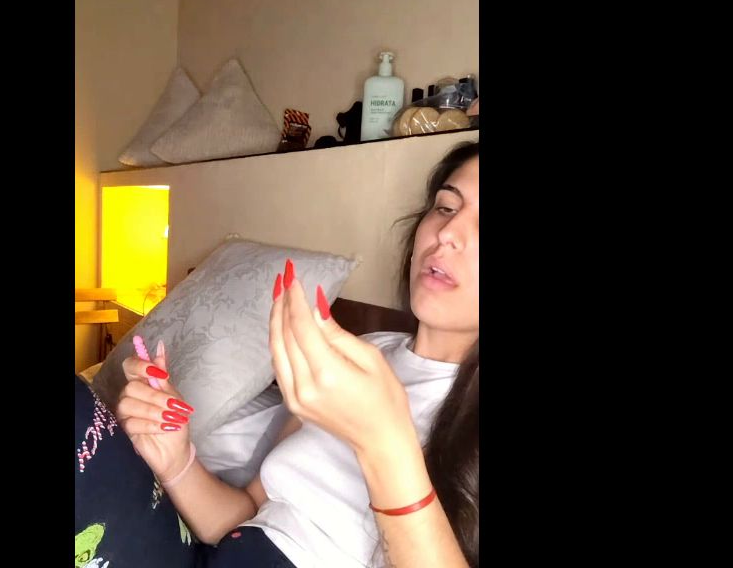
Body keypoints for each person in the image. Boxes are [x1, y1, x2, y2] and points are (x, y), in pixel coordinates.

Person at [75, 141, 479, 568]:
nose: (447, 234)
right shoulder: (359, 356)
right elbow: (245, 515)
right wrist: (176, 460)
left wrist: (383, 441)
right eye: (446, 207)